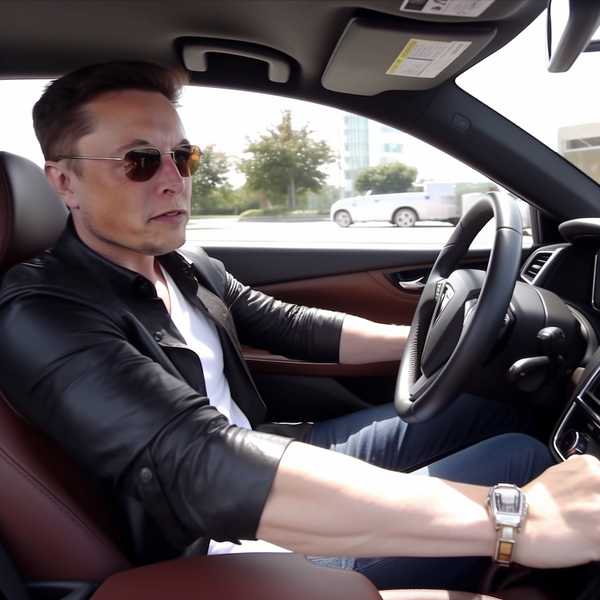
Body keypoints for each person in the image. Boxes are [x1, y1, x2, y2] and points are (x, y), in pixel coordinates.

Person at [0, 60, 598, 592]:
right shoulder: (41, 313)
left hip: (269, 449)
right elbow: (196, 461)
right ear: (63, 182)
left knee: (495, 407)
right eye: (139, 161)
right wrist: (514, 520)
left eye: (183, 156)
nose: (173, 179)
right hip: (229, 543)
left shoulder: (186, 265)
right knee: (518, 463)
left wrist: (439, 342)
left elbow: (300, 329)